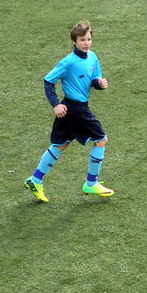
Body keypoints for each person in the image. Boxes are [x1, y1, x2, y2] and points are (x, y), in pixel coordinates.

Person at [23, 22, 114, 203]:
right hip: (75, 109)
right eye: (82, 40)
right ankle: (91, 182)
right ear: (74, 41)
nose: (86, 43)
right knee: (101, 140)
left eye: (88, 39)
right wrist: (55, 104)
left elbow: (94, 79)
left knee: (60, 144)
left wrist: (99, 84)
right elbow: (48, 80)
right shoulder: (68, 62)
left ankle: (35, 179)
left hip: (74, 108)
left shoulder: (92, 57)